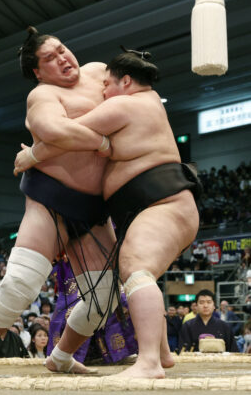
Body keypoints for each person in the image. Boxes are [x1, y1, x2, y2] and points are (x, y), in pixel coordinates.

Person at [14, 49, 200, 378]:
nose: (102, 92)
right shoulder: (151, 100)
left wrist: (31, 157)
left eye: (107, 84)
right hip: (160, 205)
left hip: (163, 203)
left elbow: (63, 134)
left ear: (125, 81)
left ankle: (149, 364)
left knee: (136, 269)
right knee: (144, 275)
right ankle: (162, 354)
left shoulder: (122, 104)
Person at [0, 27, 119, 378]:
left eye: (62, 50)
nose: (62, 59)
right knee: (22, 281)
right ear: (38, 72)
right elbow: (57, 131)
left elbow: (133, 104)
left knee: (106, 297)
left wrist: (37, 152)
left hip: (94, 208)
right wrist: (104, 140)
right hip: (50, 200)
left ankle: (60, 356)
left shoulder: (100, 72)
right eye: (49, 59)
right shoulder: (41, 96)